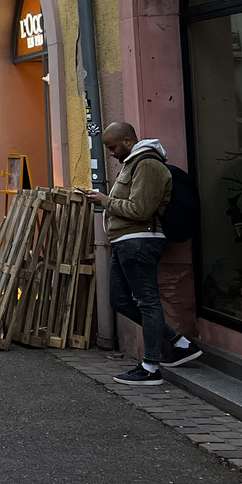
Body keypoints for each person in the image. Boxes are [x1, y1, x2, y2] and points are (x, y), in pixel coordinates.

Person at [88, 120, 179, 385]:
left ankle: (151, 367)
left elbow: (140, 210)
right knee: (118, 299)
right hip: (125, 241)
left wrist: (103, 201)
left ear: (128, 141)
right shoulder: (133, 163)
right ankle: (178, 341)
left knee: (147, 302)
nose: (111, 153)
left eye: (113, 147)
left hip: (140, 240)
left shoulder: (147, 165)